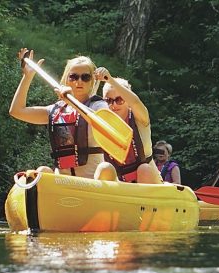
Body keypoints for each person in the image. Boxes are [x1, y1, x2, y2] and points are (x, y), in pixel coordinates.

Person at [9, 48, 108, 178]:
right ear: (66, 79)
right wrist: (27, 77)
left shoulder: (99, 106)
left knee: (107, 168)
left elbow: (100, 123)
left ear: (92, 81)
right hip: (64, 181)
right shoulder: (56, 111)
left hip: (92, 181)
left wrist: (72, 102)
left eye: (85, 77)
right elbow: (17, 111)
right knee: (42, 170)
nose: (79, 82)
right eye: (73, 77)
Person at [93, 68, 162, 184]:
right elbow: (85, 106)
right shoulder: (101, 121)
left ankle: (144, 201)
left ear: (127, 99)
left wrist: (110, 80)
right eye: (109, 100)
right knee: (104, 168)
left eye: (119, 100)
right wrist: (96, 82)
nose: (114, 105)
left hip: (147, 179)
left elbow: (135, 102)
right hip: (120, 182)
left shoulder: (140, 119)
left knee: (144, 169)